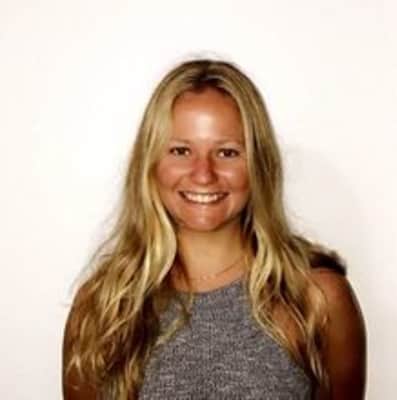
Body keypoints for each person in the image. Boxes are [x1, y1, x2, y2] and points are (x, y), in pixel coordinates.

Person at [62, 58, 367, 399]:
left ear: (259, 164)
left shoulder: (316, 298)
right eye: (181, 150)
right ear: (150, 163)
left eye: (227, 152)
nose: (203, 174)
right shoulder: (103, 305)